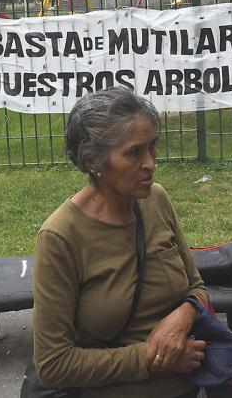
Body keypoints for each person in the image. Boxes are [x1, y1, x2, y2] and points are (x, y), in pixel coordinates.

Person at [30, 87, 209, 397]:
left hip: (187, 388)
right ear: (92, 161)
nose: (150, 163)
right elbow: (53, 364)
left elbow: (197, 287)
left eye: (152, 148)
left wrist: (184, 315)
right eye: (134, 152)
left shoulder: (156, 200)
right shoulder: (60, 237)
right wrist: (152, 359)